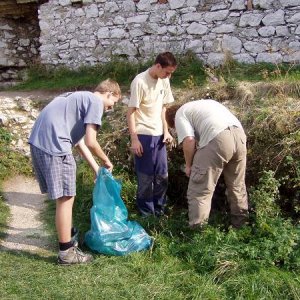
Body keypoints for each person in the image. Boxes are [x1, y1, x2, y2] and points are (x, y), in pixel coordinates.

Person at [28, 79, 121, 265]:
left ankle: (68, 236)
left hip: (38, 143)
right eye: (114, 103)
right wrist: (105, 160)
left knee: (64, 198)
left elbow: (78, 143)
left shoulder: (77, 97)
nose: (110, 108)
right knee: (66, 198)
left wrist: (97, 169)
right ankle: (67, 253)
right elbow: (91, 142)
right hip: (55, 146)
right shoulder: (95, 102)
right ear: (109, 93)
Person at [165, 99, 249, 228]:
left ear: (173, 121)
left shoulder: (180, 113)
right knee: (237, 186)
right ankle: (242, 226)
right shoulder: (203, 105)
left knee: (199, 190)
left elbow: (189, 140)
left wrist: (188, 165)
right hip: (239, 136)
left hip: (218, 138)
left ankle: (198, 233)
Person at [127, 52, 177, 217]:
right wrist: (134, 139)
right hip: (143, 134)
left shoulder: (164, 81)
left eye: (171, 73)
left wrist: (166, 131)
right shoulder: (139, 81)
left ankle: (160, 210)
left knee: (162, 175)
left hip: (159, 136)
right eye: (167, 72)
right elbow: (131, 112)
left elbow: (163, 108)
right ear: (157, 66)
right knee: (146, 177)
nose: (169, 76)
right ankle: (146, 214)